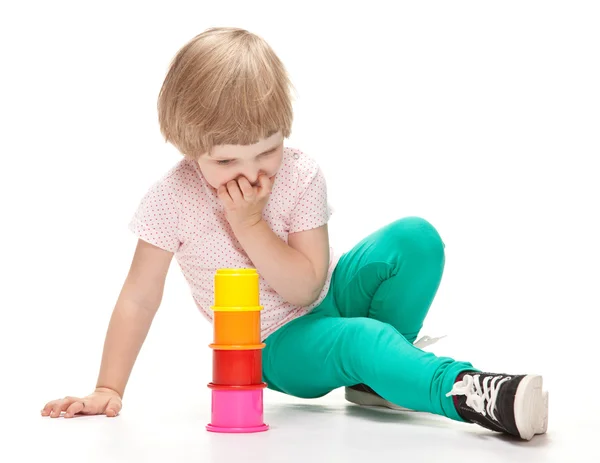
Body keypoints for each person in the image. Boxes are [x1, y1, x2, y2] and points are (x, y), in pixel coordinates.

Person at [41, 27, 548, 441]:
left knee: (414, 237)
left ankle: (379, 380)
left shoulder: (301, 173)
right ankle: (464, 390)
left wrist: (251, 224)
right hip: (273, 344)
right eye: (225, 161)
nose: (251, 173)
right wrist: (108, 386)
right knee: (362, 338)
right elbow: (138, 296)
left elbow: (307, 285)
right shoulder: (173, 198)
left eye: (267, 150)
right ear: (185, 147)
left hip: (321, 294)